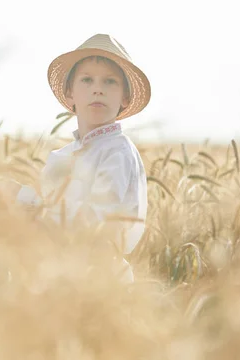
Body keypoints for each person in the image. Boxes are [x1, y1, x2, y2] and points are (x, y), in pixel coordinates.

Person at [13, 33, 150, 283]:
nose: (97, 88)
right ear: (70, 94)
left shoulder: (117, 152)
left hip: (100, 280)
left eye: (109, 82)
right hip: (58, 275)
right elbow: (46, 219)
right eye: (87, 80)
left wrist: (23, 199)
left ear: (125, 98)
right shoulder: (60, 157)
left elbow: (94, 222)